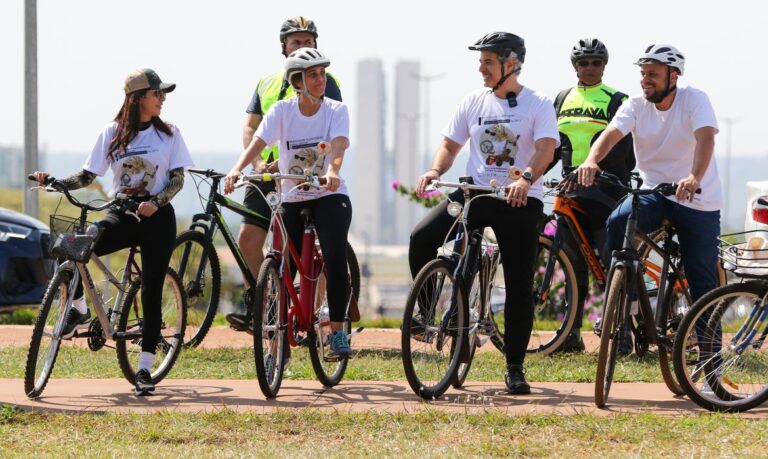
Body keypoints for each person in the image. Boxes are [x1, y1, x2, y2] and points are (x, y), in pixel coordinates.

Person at [410, 32, 559, 394]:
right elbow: (450, 144)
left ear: (511, 64)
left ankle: (515, 367)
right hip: (475, 194)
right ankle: (427, 313)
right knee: (422, 238)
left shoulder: (537, 104)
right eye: (481, 62)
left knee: (520, 285)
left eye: (488, 62)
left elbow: (546, 149)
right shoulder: (473, 101)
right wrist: (434, 171)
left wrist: (525, 178)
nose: (481, 68)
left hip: (518, 199)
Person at [33, 69, 194, 395]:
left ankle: (146, 368)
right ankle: (78, 309)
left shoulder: (170, 134)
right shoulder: (112, 132)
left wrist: (157, 201)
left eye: (163, 94)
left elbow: (178, 178)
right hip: (122, 213)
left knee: (150, 289)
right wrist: (55, 182)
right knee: (74, 247)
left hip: (159, 217)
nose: (162, 99)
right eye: (157, 94)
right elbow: (87, 175)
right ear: (138, 99)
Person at [224, 48, 353, 358]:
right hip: (293, 195)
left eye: (322, 74)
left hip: (328, 193)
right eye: (313, 75)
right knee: (281, 265)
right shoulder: (282, 111)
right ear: (298, 82)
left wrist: (333, 171)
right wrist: (237, 169)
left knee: (335, 257)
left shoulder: (336, 110)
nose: (321, 80)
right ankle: (279, 335)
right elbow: (258, 142)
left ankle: (336, 333)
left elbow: (338, 145)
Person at [577, 44, 721, 314]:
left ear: (673, 75)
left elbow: (705, 139)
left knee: (701, 277)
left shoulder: (695, 100)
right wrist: (591, 160)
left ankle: (709, 352)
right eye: (643, 74)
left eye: (652, 74)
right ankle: (627, 310)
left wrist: (693, 177)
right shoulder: (635, 105)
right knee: (618, 222)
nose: (645, 80)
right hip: (654, 192)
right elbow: (611, 133)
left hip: (697, 197)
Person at [551, 38, 635, 353]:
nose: (590, 67)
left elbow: (625, 150)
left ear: (604, 65)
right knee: (572, 262)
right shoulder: (561, 99)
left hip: (606, 190)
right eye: (584, 62)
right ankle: (570, 336)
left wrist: (603, 172)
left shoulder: (618, 99)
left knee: (612, 260)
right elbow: (552, 144)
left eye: (596, 62)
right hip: (571, 190)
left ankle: (622, 332)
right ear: (575, 66)